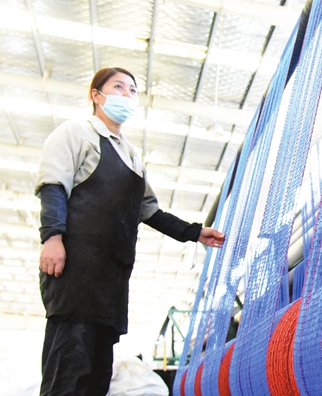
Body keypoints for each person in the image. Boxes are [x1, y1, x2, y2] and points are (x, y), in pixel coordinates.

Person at [36, 67, 226, 396]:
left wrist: (194, 233)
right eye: (118, 87)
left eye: (133, 91)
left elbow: (149, 211)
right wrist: (52, 238)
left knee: (97, 378)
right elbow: (53, 185)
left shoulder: (133, 157)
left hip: (110, 283)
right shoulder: (77, 134)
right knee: (67, 372)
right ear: (96, 95)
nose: (126, 95)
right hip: (77, 273)